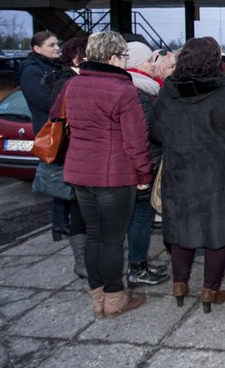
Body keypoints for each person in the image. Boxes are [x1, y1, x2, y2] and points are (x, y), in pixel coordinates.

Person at [53, 31, 152, 319]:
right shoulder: (124, 90)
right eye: (123, 56)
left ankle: (97, 298)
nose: (125, 61)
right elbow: (136, 140)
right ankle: (114, 298)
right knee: (112, 240)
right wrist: (143, 174)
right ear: (111, 58)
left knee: (94, 236)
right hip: (113, 176)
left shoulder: (72, 85)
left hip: (79, 172)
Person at [152, 38, 225, 313]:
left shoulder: (167, 92)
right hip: (219, 175)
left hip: (180, 171)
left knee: (181, 230)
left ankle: (179, 284)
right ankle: (210, 290)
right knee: (216, 234)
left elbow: (157, 132)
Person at [124, 42, 170, 287]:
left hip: (143, 161)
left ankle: (138, 262)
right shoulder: (140, 91)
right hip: (145, 163)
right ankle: (137, 267)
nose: (153, 65)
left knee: (139, 217)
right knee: (141, 217)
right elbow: (150, 130)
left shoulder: (142, 88)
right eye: (149, 61)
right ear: (139, 63)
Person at [45, 36, 88, 278]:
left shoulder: (75, 79)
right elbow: (58, 119)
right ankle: (80, 261)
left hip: (80, 155)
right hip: (74, 155)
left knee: (83, 208)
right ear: (77, 57)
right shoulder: (66, 81)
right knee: (78, 209)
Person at [20, 31, 67, 241]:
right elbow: (47, 103)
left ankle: (64, 223)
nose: (57, 47)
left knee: (64, 175)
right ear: (36, 49)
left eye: (57, 43)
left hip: (60, 128)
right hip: (49, 131)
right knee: (56, 176)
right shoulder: (32, 71)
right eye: (51, 45)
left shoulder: (55, 67)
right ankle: (60, 225)